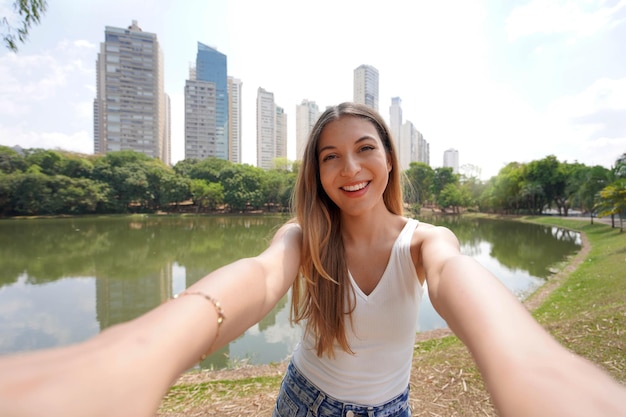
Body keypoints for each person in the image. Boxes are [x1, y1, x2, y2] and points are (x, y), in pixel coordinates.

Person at [0, 102, 624, 417]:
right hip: (303, 401)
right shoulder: (304, 237)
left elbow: (474, 296)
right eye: (330, 156)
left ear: (389, 160)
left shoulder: (427, 242)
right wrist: (140, 350)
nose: (349, 169)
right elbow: (259, 277)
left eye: (363, 149)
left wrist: (537, 369)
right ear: (316, 171)